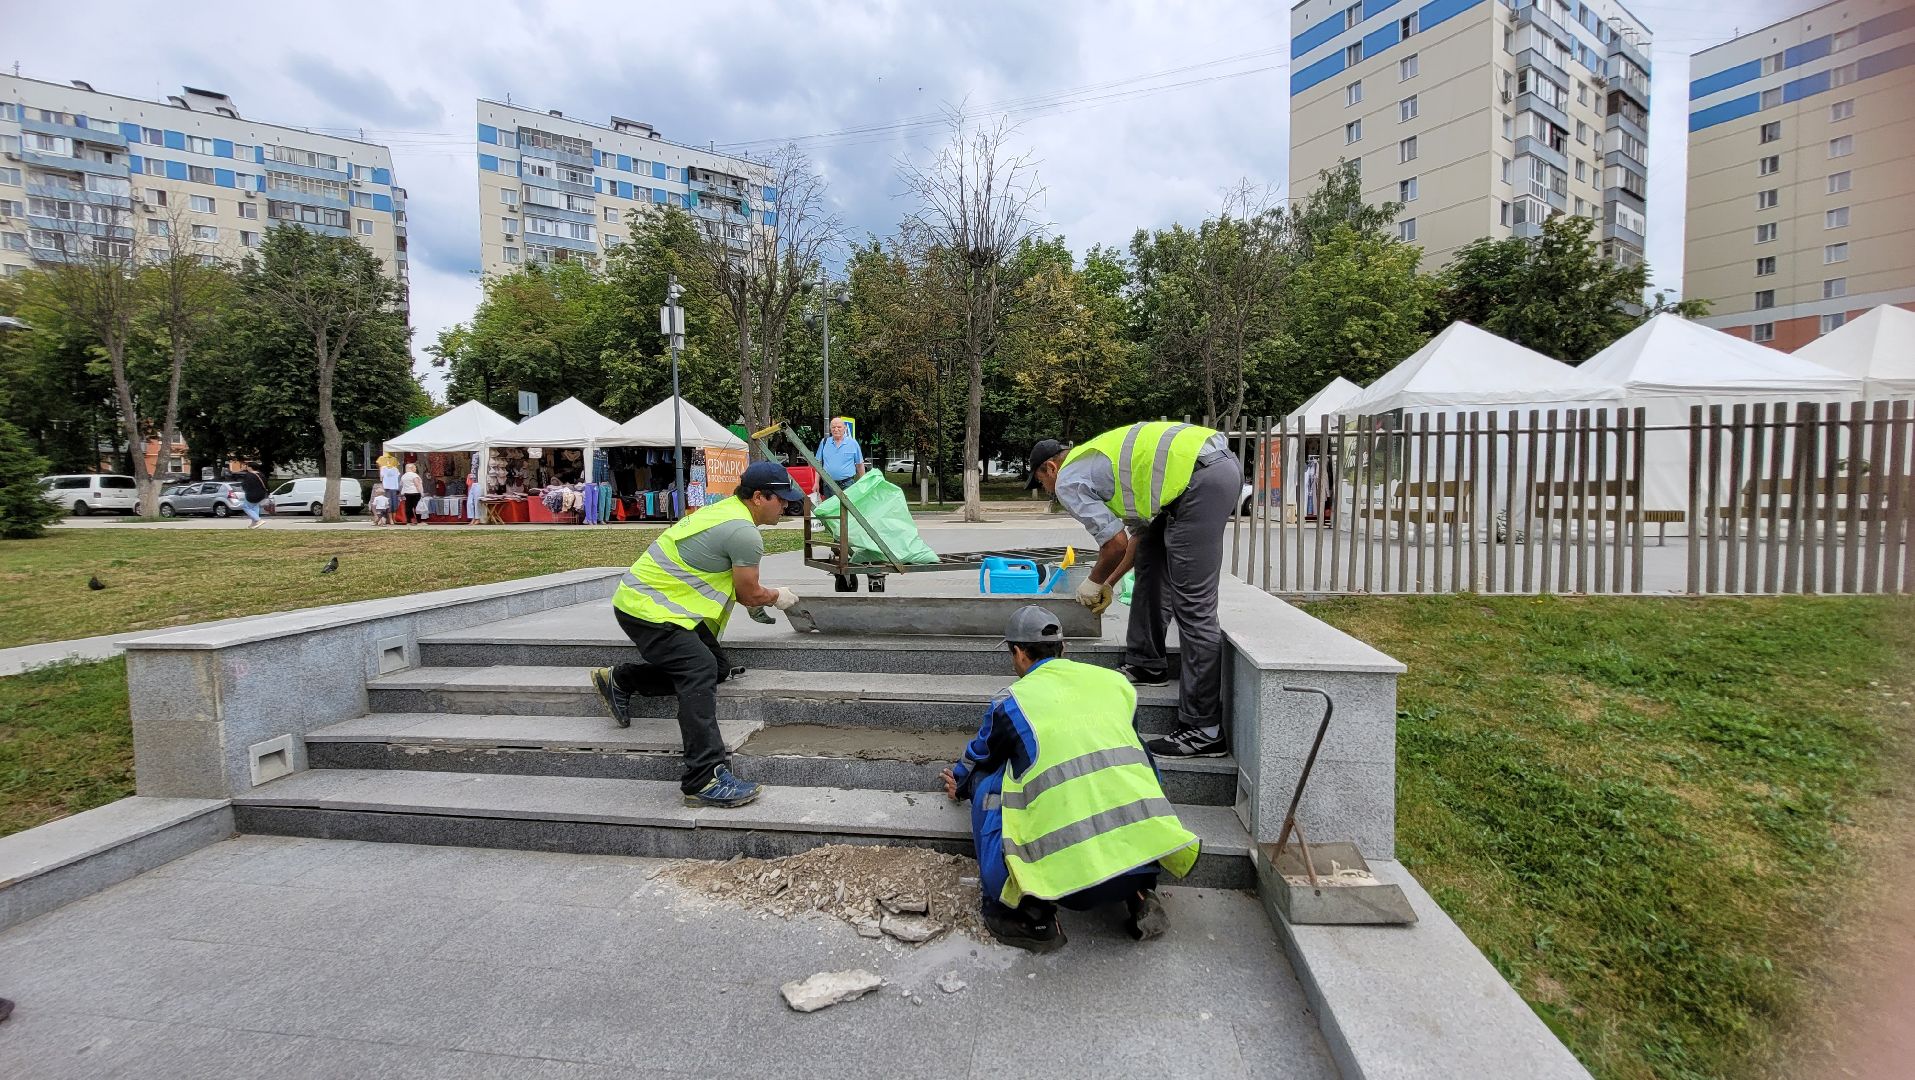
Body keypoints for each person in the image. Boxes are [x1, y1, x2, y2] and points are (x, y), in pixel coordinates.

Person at [941, 605, 1199, 953]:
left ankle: (1028, 915)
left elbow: (980, 755)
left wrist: (961, 783)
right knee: (1133, 760)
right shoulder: (1115, 684)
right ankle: (1140, 892)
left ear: (1018, 653)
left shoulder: (1013, 703)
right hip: (1139, 858)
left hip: (1068, 883)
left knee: (989, 783)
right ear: (1064, 649)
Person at [592, 461, 806, 808]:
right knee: (699, 669)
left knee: (716, 668)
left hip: (661, 605)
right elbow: (748, 592)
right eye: (780, 499)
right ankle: (703, 779)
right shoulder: (744, 531)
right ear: (757, 497)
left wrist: (754, 599)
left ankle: (621, 680)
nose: (786, 505)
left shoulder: (728, 512)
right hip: (649, 610)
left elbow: (733, 583)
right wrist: (776, 597)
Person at [1027, 422, 1236, 758]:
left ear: (1051, 468)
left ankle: (1203, 728)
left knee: (1193, 607)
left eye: (1042, 482)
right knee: (1152, 556)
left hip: (1201, 480)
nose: (1049, 490)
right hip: (1203, 472)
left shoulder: (1069, 478)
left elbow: (1113, 544)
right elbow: (1135, 540)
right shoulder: (1097, 464)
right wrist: (1110, 583)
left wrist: (1092, 582)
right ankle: (1148, 664)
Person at [814, 417, 866, 498]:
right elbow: (818, 464)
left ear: (844, 428)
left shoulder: (853, 443)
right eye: (833, 427)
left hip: (847, 485)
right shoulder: (824, 442)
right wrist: (816, 483)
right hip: (829, 485)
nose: (836, 429)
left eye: (839, 427)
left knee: (848, 509)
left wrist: (863, 482)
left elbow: (859, 464)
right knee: (831, 509)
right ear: (830, 429)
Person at [233, 462, 269, 529]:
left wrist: (245, 489)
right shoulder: (261, 474)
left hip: (252, 494)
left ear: (250, 467)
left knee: (245, 507)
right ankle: (254, 523)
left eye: (247, 466)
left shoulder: (249, 475)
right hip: (261, 494)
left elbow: (245, 485)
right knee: (255, 507)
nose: (246, 467)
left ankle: (258, 520)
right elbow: (266, 484)